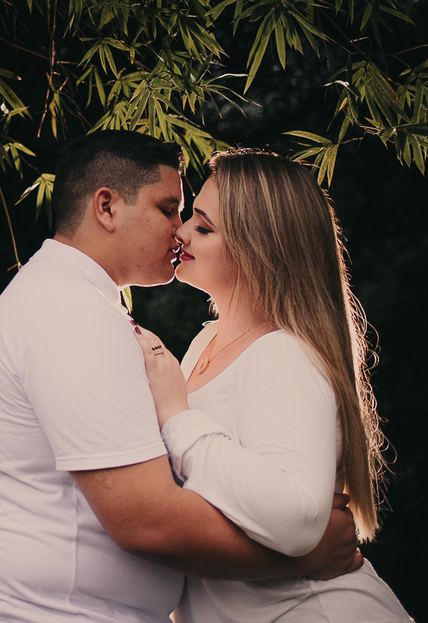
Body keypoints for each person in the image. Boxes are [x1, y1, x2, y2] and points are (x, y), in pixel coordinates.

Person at [0, 131, 362, 623]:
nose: (179, 231)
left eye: (194, 220)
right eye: (169, 209)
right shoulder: (74, 315)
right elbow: (148, 522)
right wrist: (301, 557)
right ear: (107, 207)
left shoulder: (76, 304)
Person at [137, 149, 413, 622]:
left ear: (258, 249)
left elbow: (294, 516)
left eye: (204, 227)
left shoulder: (285, 355)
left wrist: (176, 417)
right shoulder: (204, 343)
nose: (181, 232)